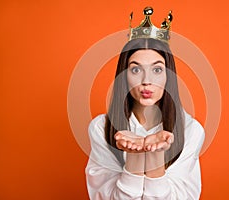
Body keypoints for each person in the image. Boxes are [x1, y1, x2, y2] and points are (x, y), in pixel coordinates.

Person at [85, 7, 205, 200]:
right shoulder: (101, 128)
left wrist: (156, 158)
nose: (146, 80)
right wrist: (134, 157)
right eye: (135, 70)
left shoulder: (191, 130)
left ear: (169, 76)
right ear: (123, 76)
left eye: (157, 70)